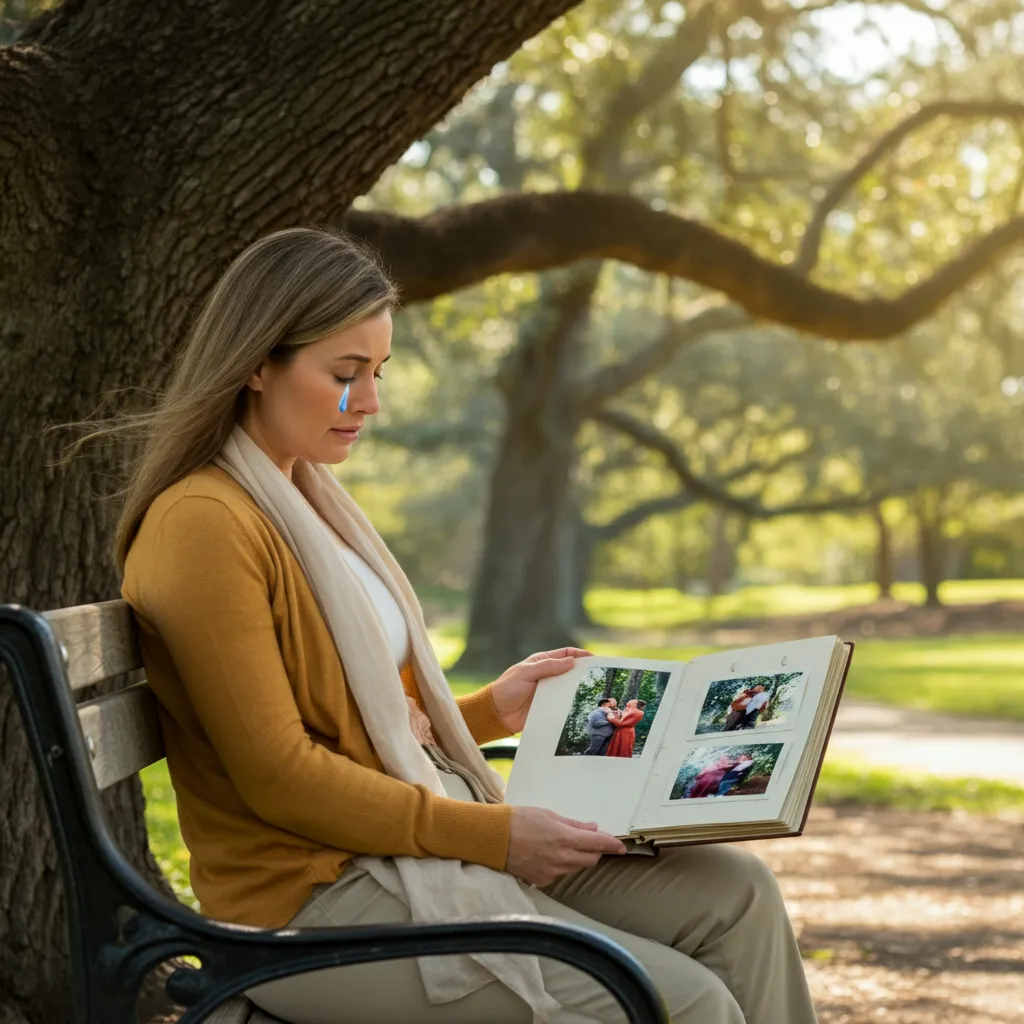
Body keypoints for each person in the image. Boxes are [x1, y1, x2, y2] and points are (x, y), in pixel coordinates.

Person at [104, 227, 817, 1024]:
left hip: (415, 836)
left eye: (377, 372)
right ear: (257, 365)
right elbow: (282, 776)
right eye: (344, 374)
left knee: (734, 892)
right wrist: (494, 836)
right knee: (682, 1005)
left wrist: (489, 712)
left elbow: (362, 727)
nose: (369, 401)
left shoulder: (305, 501)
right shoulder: (205, 522)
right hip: (316, 896)